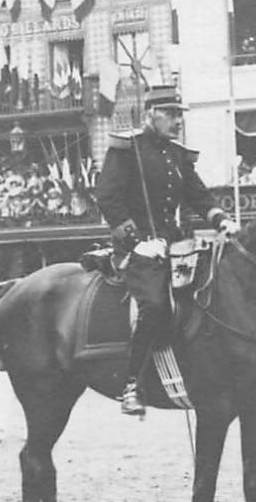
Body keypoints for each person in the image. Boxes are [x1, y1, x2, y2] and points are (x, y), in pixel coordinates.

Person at [94, 83, 236, 416]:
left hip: (175, 245)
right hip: (139, 248)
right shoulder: (127, 148)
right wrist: (137, 241)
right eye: (170, 114)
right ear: (149, 115)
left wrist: (221, 221)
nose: (177, 121)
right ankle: (132, 384)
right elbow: (107, 196)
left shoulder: (177, 155)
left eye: (178, 114)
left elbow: (199, 197)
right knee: (156, 306)